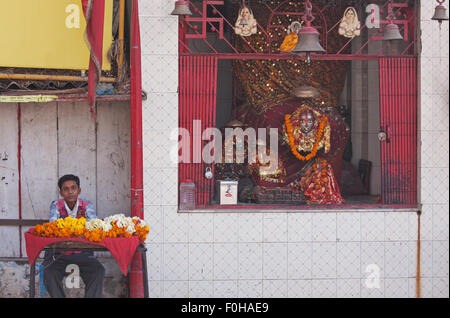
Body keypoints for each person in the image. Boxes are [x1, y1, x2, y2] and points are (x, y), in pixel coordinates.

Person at [42, 174, 105, 298]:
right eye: (66, 189)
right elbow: (53, 225)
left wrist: (67, 228)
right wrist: (78, 228)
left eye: (73, 188)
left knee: (98, 271)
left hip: (82, 253)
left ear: (79, 190)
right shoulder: (56, 205)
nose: (70, 192)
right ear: (61, 193)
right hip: (58, 254)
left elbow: (94, 223)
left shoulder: (86, 205)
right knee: (49, 273)